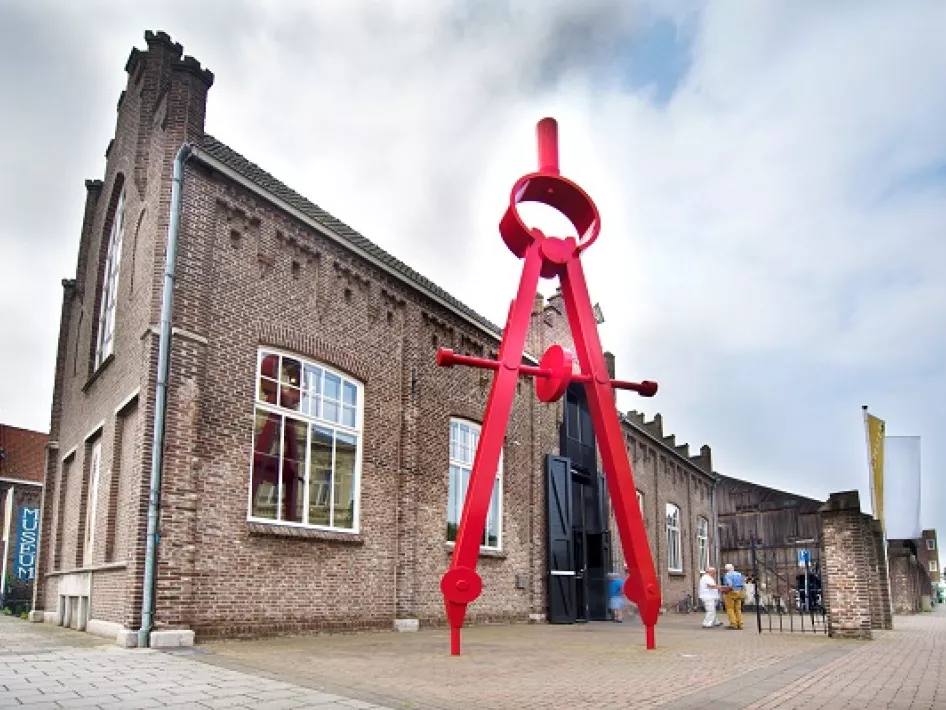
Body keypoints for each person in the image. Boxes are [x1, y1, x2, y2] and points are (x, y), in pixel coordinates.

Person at [721, 563, 746, 629]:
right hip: (739, 591)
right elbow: (743, 584)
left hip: (731, 592)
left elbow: (730, 585)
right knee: (738, 609)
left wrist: (724, 590)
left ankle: (733, 624)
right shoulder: (739, 574)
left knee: (730, 608)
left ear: (726, 569)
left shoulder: (728, 575)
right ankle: (740, 624)